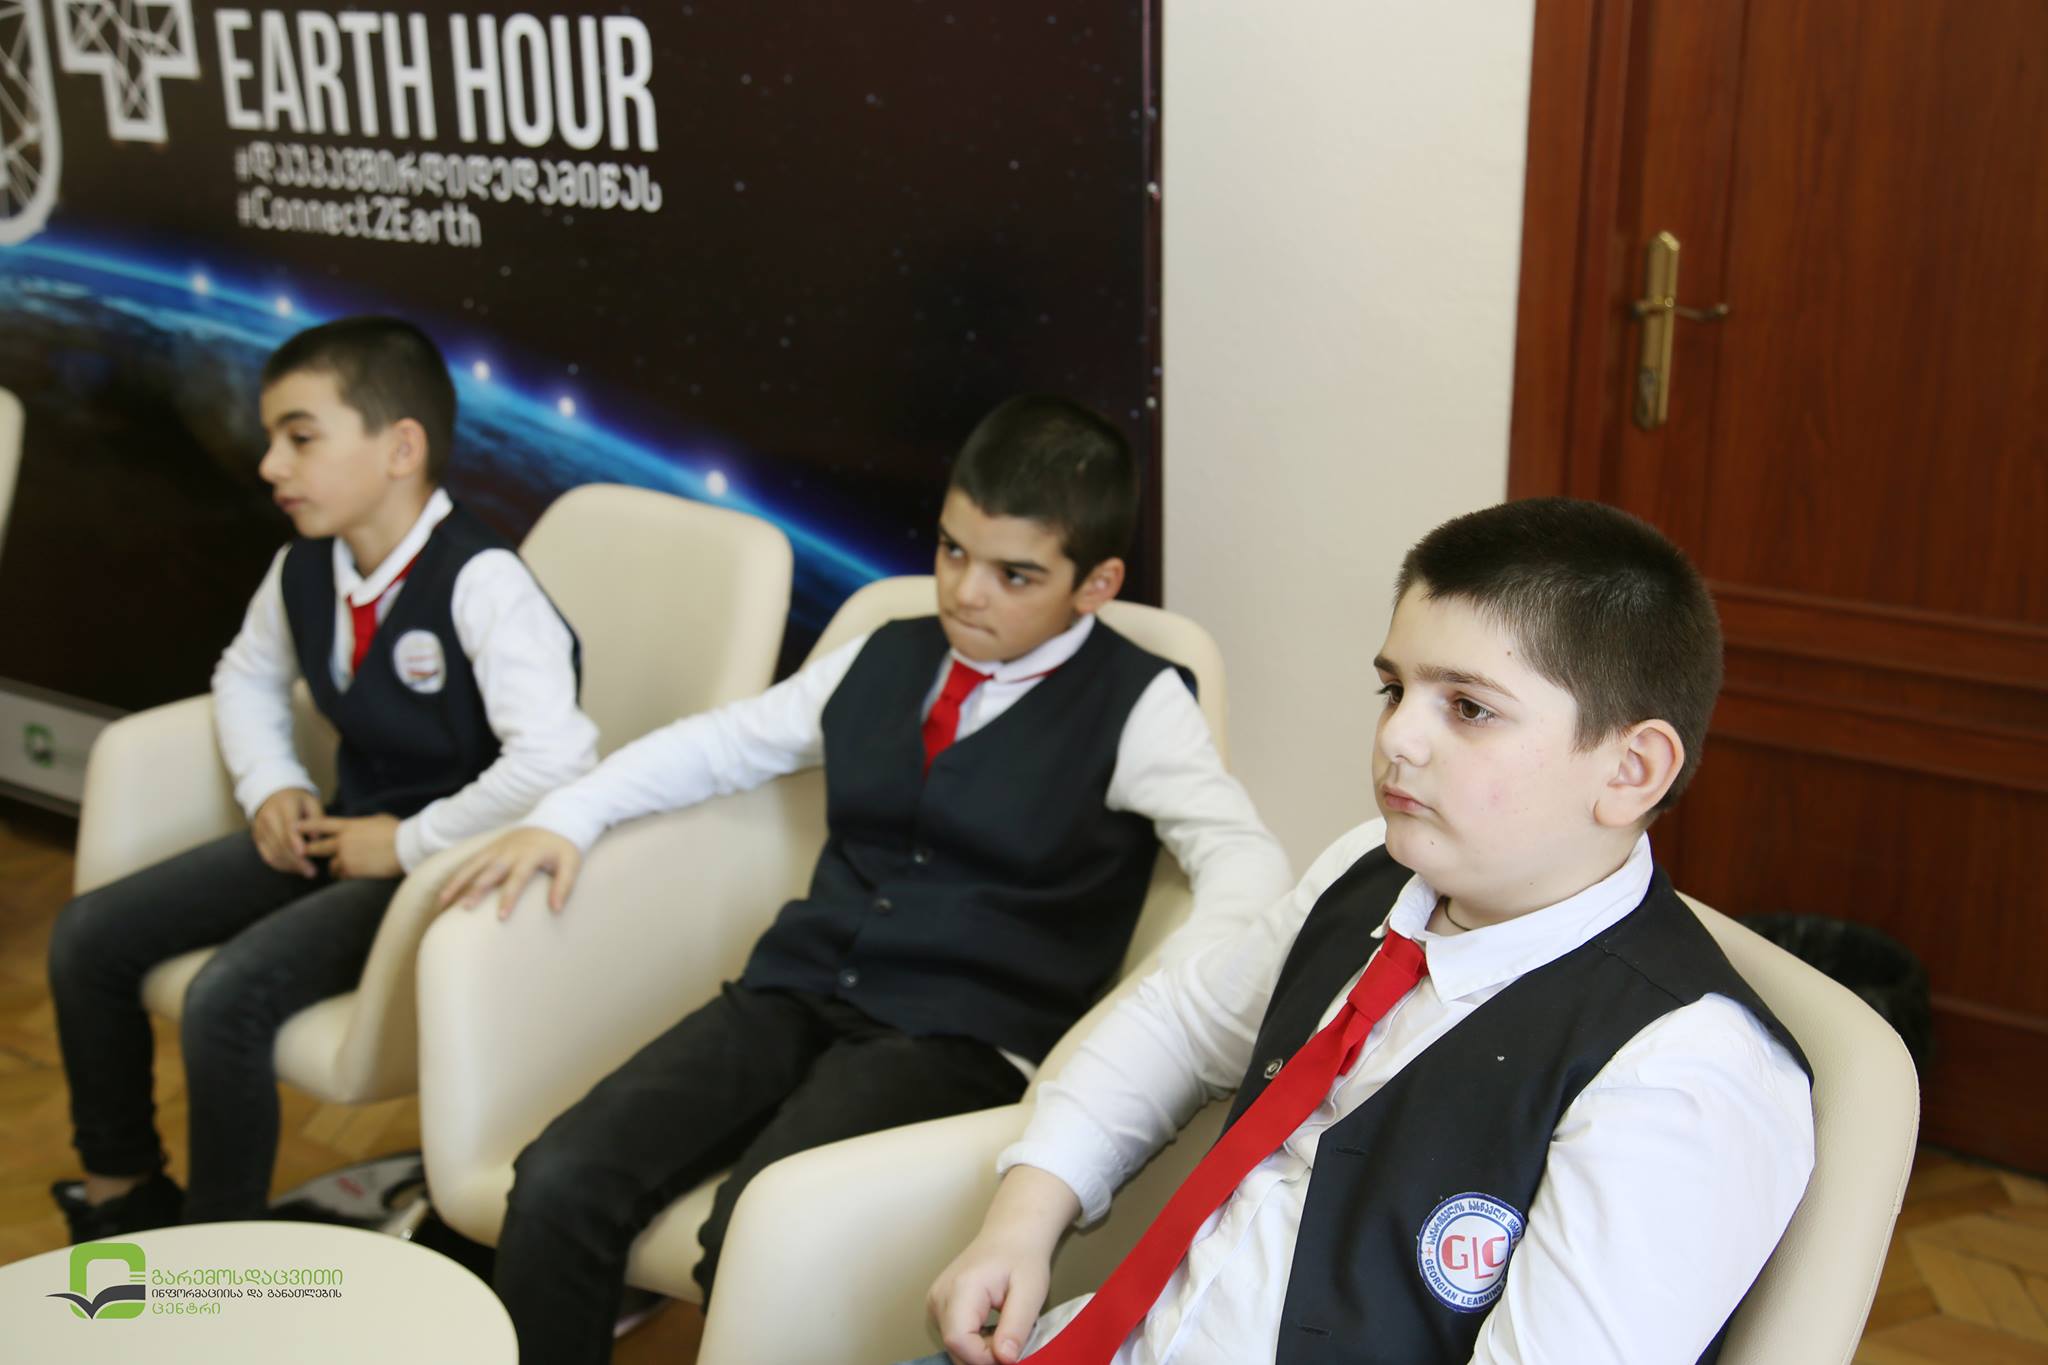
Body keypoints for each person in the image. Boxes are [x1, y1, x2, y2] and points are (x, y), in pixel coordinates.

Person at [438, 394, 1292, 1365]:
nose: (966, 592)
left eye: (1014, 574)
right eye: (952, 551)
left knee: (754, 1230)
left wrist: (1172, 988)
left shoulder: (1138, 702)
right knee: (558, 1177)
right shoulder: (886, 651)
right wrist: (569, 813)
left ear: (1094, 584)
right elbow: (723, 745)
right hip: (797, 985)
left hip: (958, 1037)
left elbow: (1242, 854)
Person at [922, 496, 1815, 1365]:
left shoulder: (1683, 1073)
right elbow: (1182, 1026)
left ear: (1630, 769)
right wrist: (1025, 1217)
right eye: (1394, 689)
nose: (1399, 738)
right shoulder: (1368, 866)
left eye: (1468, 707)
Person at [47, 317, 598, 1236]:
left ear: (401, 449)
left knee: (228, 998)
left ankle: (218, 1261)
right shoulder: (304, 565)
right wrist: (269, 781)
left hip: (447, 867)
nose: (271, 464)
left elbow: (558, 759)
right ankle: (124, 1190)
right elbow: (245, 674)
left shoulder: (483, 582)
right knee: (88, 936)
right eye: (274, 438)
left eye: (300, 438)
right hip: (346, 831)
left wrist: (407, 842)